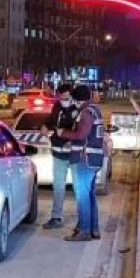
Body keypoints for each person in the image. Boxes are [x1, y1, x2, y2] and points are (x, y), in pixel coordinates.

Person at [57, 85, 105, 242]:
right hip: (94, 159)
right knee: (90, 195)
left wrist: (63, 133)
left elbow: (82, 134)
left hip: (85, 159)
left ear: (78, 99)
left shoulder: (86, 113)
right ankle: (94, 229)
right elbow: (88, 136)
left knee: (83, 196)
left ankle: (84, 230)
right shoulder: (95, 110)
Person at [40, 84, 77, 230]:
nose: (63, 100)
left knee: (79, 187)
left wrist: (71, 140)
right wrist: (45, 125)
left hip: (74, 154)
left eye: (66, 98)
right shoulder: (56, 107)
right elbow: (51, 120)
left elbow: (81, 130)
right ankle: (56, 217)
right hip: (58, 153)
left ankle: (84, 220)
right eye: (61, 97)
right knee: (58, 186)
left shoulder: (79, 109)